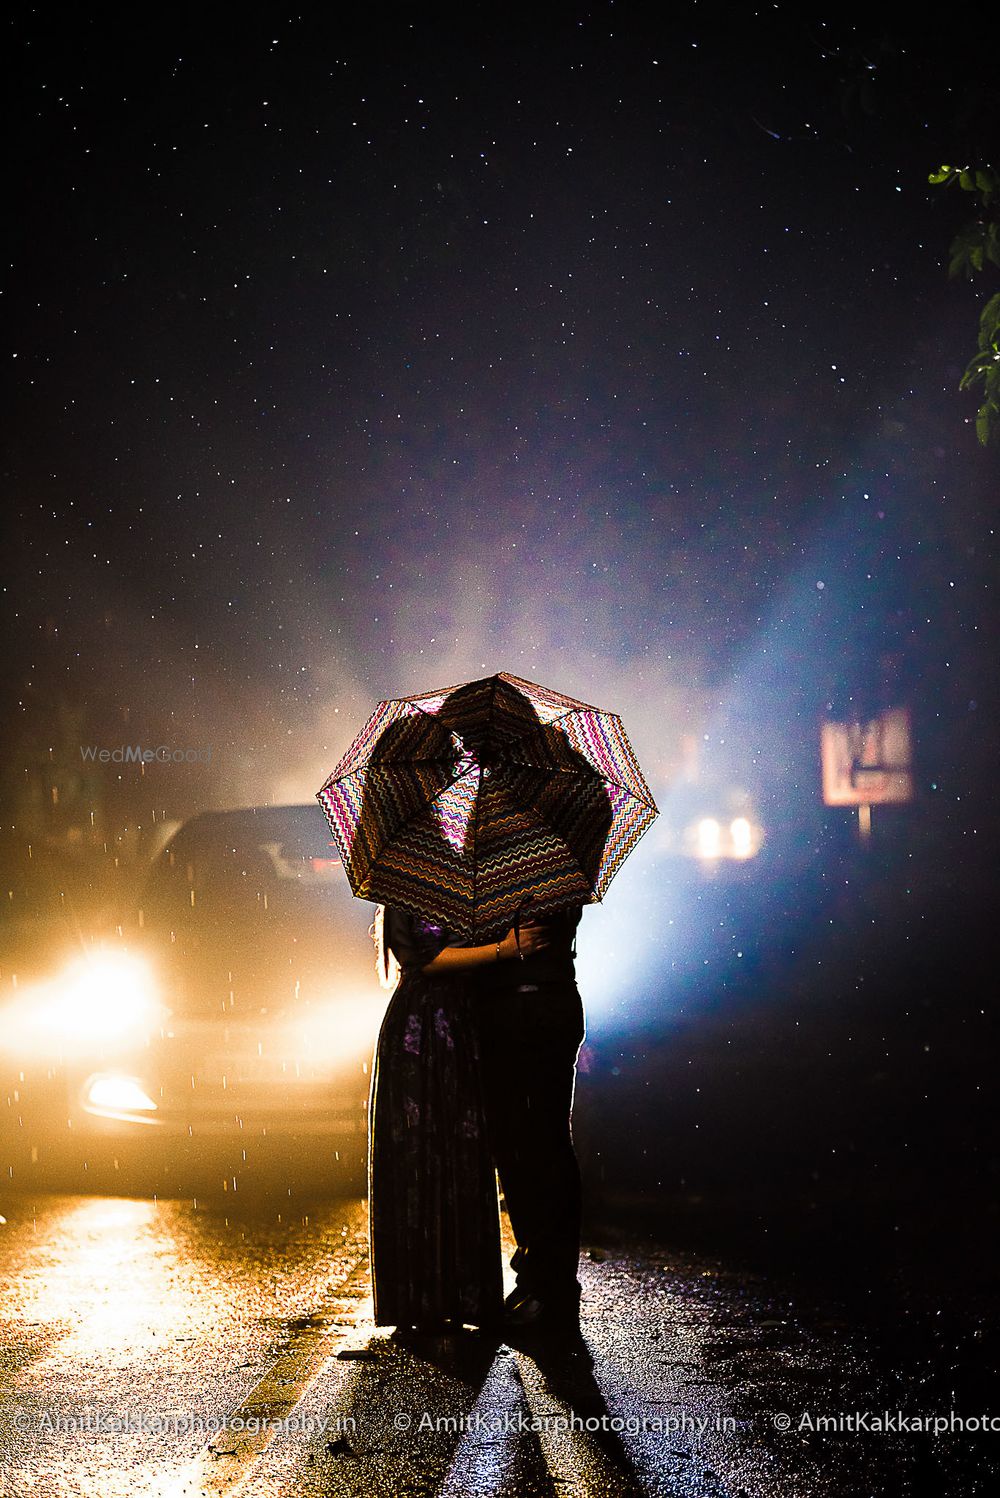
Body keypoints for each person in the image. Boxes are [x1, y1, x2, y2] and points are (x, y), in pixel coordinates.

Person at [367, 904, 547, 1334]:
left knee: (460, 1155)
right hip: (423, 1028)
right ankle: (421, 1299)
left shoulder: (456, 884)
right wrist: (505, 950)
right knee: (419, 1155)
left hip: (459, 1024)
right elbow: (426, 960)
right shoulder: (407, 887)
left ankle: (460, 1295)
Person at [472, 904, 588, 1330]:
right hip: (530, 1006)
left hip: (528, 1007)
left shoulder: (536, 864)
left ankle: (549, 1284)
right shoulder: (557, 859)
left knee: (536, 1146)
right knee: (523, 1145)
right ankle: (539, 1276)